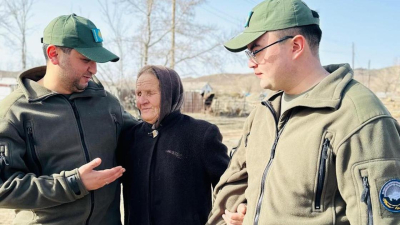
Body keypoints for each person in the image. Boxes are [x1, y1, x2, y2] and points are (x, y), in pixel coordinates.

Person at [207, 0, 400, 224]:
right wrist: (247, 212)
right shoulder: (264, 113)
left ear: (296, 46)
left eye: (257, 50)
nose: (251, 63)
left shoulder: (358, 117)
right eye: (249, 54)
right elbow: (236, 186)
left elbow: (380, 219)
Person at [0, 14, 137, 224]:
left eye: (96, 60)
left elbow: (143, 138)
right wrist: (73, 183)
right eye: (85, 59)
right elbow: (3, 188)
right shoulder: (14, 111)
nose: (94, 69)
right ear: (53, 54)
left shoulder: (107, 103)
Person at [118, 65, 229, 225]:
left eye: (150, 93)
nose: (142, 101)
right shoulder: (130, 137)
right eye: (139, 93)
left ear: (170, 94)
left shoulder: (201, 134)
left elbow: (228, 188)